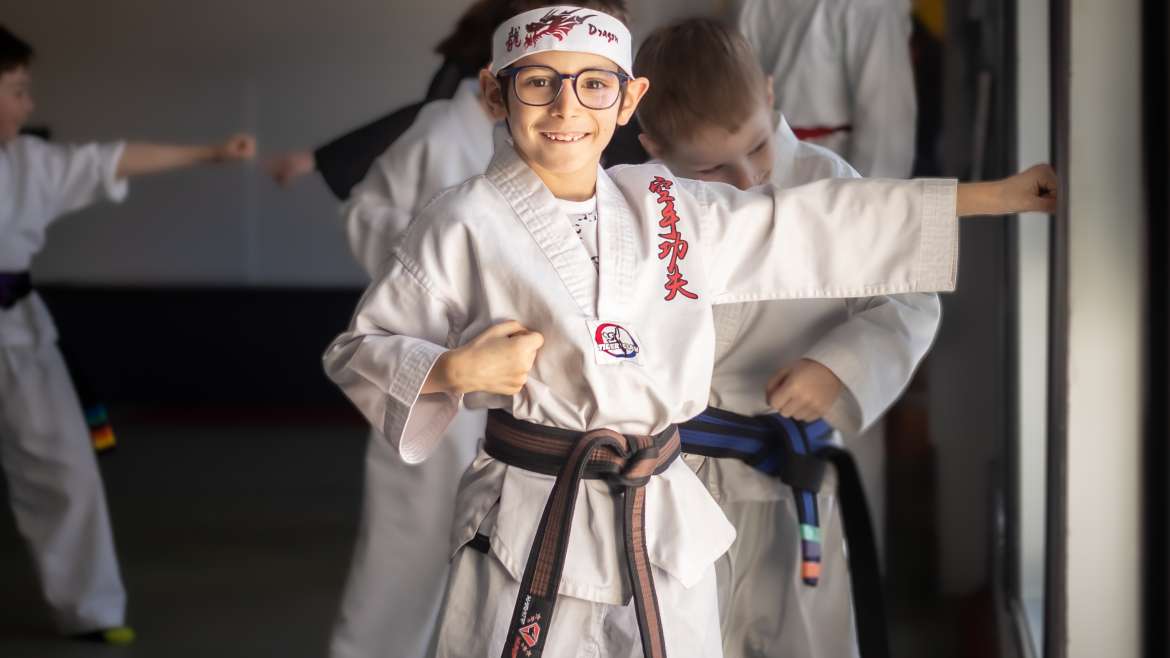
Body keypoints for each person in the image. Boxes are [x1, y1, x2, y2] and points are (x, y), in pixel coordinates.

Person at [322, 5, 1056, 656]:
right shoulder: (462, 218)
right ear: (495, 93)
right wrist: (452, 371)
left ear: (626, 100)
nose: (566, 107)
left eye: (593, 84)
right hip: (534, 505)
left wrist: (991, 197)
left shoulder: (662, 205)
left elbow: (809, 223)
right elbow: (360, 348)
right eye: (538, 82)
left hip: (662, 507)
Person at [635, 17, 937, 657]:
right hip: (677, 482)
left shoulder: (831, 186)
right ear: (653, 144)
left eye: (759, 147)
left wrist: (838, 367)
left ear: (770, 96)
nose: (748, 179)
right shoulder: (636, 210)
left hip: (787, 475)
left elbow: (910, 295)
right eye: (714, 166)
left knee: (803, 640)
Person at [0, 24, 255, 644]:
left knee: (64, 467)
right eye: (16, 90)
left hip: (19, 334)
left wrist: (210, 153)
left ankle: (91, 609)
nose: (29, 104)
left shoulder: (28, 164)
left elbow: (110, 159)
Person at [732, 0, 917, 178]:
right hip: (767, 168)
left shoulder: (872, 6)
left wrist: (870, 200)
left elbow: (886, 123)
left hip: (838, 176)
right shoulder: (753, 4)